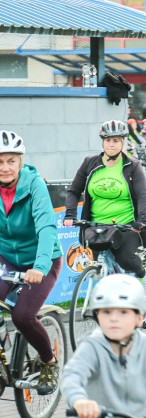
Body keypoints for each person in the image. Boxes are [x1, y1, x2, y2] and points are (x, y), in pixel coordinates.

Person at [0, 130, 63, 395]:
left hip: (42, 259)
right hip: (7, 259)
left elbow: (47, 228)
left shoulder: (34, 184)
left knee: (23, 315)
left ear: (21, 162)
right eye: (0, 161)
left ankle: (49, 361)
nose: (4, 168)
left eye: (11, 161)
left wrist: (39, 267)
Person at [61, 274, 146, 418]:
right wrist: (79, 400)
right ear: (97, 316)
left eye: (123, 312)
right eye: (106, 312)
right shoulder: (92, 346)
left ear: (139, 318)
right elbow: (71, 376)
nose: (113, 318)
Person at [64, 120, 146, 296]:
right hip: (96, 226)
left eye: (116, 141)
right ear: (102, 141)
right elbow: (73, 191)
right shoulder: (90, 164)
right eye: (108, 140)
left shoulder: (132, 165)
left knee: (126, 259)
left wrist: (142, 220)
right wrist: (70, 213)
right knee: (101, 266)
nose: (111, 144)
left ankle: (143, 276)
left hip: (125, 225)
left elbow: (143, 194)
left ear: (123, 143)